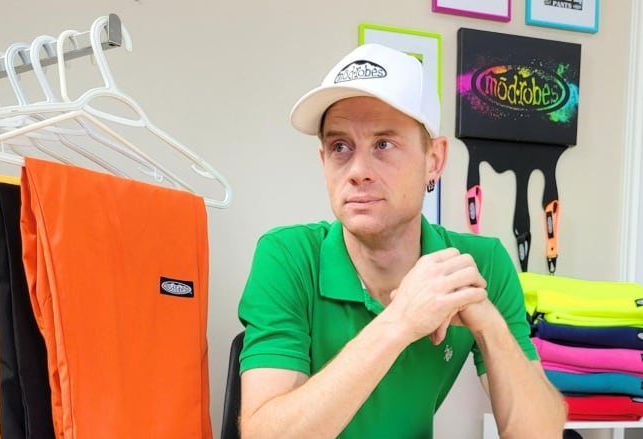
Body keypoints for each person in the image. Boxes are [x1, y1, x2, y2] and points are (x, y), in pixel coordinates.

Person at [237, 43, 566, 438]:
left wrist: (490, 327)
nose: (358, 170)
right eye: (340, 147)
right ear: (323, 161)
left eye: (384, 144)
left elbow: (541, 434)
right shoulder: (288, 257)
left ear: (434, 160)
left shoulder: (480, 263)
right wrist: (400, 322)